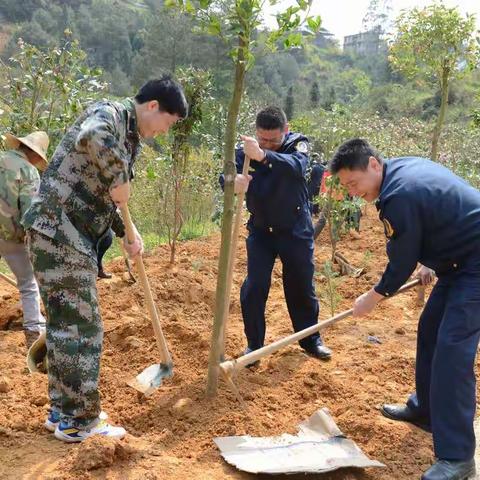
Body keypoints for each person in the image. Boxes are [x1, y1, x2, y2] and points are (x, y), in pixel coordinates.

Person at [23, 76, 188, 443]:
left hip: (63, 233)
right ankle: (81, 421)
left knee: (67, 325)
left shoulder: (130, 139)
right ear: (152, 107)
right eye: (169, 122)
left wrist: (128, 232)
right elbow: (92, 134)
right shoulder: (109, 115)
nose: (165, 131)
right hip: (59, 231)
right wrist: (119, 174)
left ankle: (62, 412)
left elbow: (108, 197)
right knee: (83, 327)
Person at [330, 138, 480, 480]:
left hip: (474, 264)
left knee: (453, 351)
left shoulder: (398, 194)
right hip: (458, 260)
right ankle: (426, 410)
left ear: (372, 164)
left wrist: (375, 295)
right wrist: (431, 261)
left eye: (353, 183)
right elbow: (433, 215)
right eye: (346, 187)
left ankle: (457, 458)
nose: (353, 193)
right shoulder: (399, 172)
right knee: (430, 331)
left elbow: (401, 259)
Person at [227, 106, 331, 362]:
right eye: (262, 139)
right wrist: (232, 182)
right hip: (261, 231)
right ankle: (254, 346)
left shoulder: (297, 145)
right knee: (255, 286)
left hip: (295, 228)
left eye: (273, 140)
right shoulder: (244, 152)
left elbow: (297, 167)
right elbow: (227, 176)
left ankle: (310, 340)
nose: (268, 144)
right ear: (256, 132)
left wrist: (263, 155)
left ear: (286, 130)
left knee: (300, 285)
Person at [0, 131, 49, 349]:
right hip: (11, 236)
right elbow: (29, 211)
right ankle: (33, 334)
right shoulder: (28, 171)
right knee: (28, 284)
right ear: (35, 154)